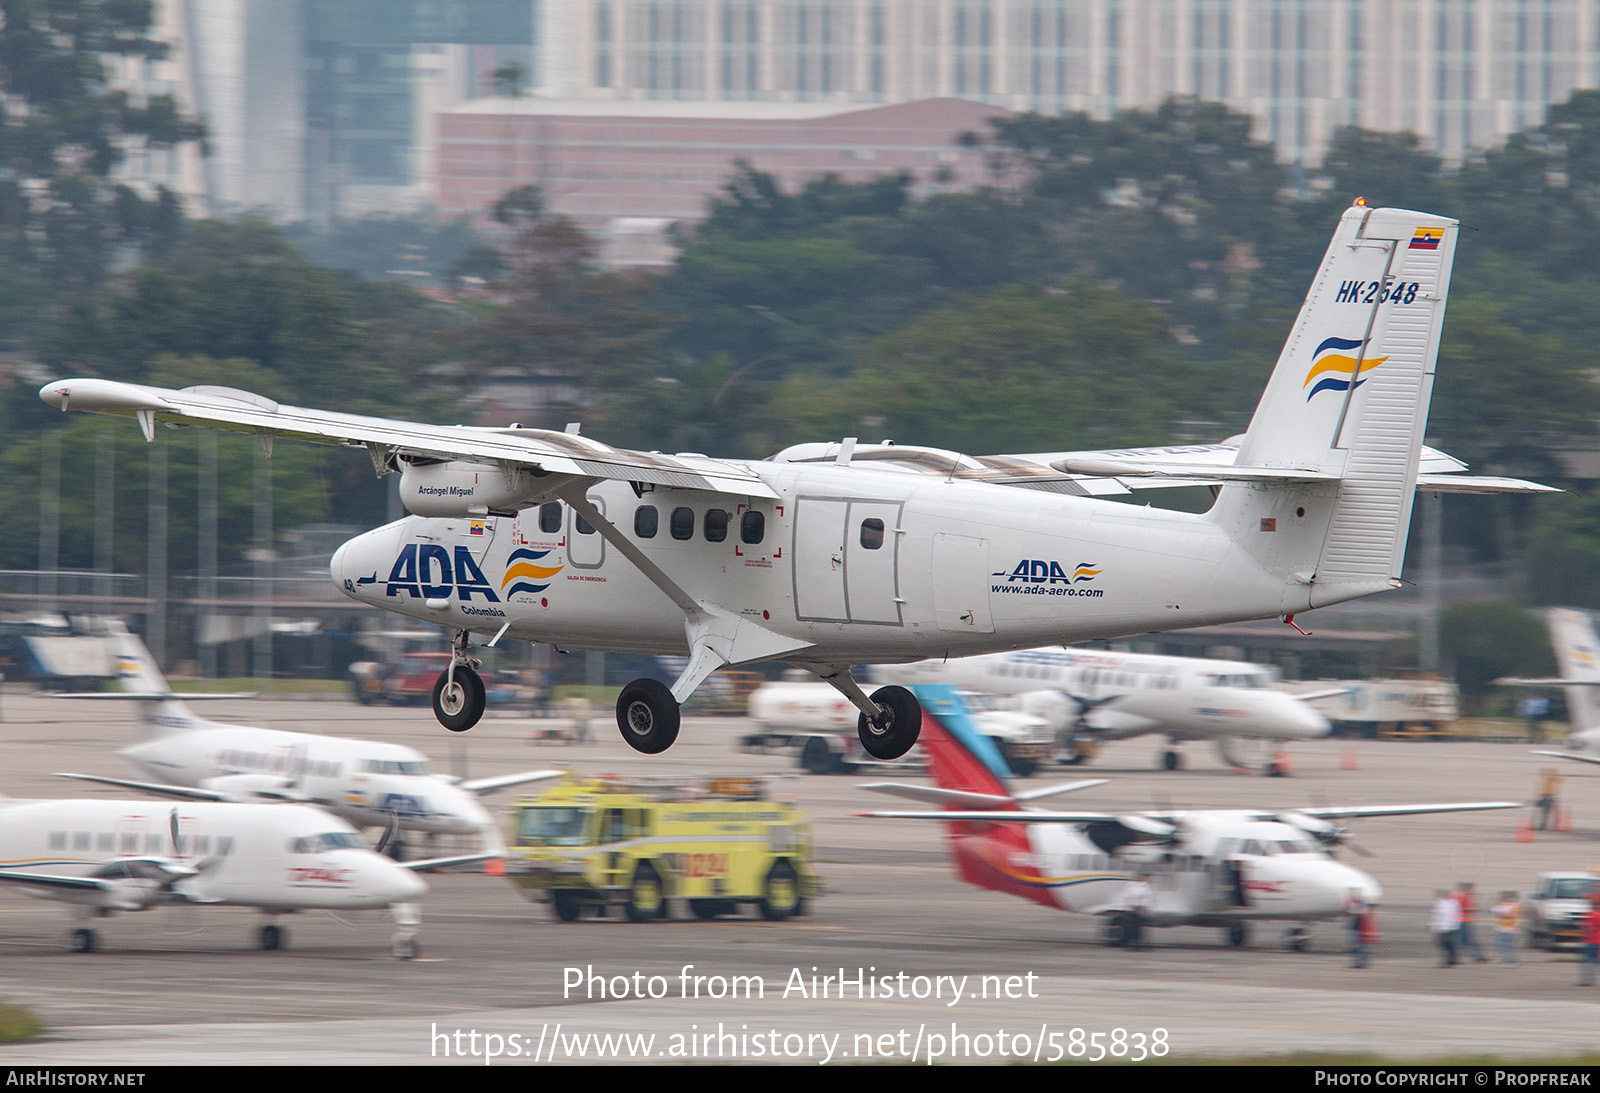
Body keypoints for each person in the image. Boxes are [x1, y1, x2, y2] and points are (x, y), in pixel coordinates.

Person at [1456, 882, 1489, 963]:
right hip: (1464, 921)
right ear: (1468, 888)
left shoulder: (1465, 896)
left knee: (1464, 941)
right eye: (1473, 889)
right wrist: (1472, 909)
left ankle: (1477, 957)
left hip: (1464, 921)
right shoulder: (1464, 896)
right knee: (1469, 941)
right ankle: (1478, 957)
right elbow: (1460, 908)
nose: (1475, 890)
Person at [1121, 874, 1155, 951]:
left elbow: (1149, 897)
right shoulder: (1133, 885)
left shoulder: (1145, 886)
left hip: (1140, 910)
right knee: (1133, 929)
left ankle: (1138, 944)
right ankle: (1133, 944)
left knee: (1140, 929)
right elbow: (1130, 896)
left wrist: (1147, 907)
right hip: (1133, 910)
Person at [1431, 889, 1462, 966]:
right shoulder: (1440, 903)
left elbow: (1448, 915)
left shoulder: (1452, 903)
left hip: (1448, 927)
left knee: (1444, 943)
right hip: (1444, 927)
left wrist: (1454, 925)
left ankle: (1449, 959)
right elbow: (1436, 915)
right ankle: (1452, 957)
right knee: (1444, 943)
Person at [1344, 888, 1372, 968]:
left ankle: (1361, 963)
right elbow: (1349, 911)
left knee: (1361, 946)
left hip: (1361, 927)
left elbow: (1362, 913)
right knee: (1356, 946)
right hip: (1355, 927)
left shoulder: (1361, 903)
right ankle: (1359, 962)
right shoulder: (1355, 903)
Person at [1493, 891, 1523, 965]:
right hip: (1512, 929)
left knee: (1506, 946)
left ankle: (1510, 960)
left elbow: (1495, 910)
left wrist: (1499, 902)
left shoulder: (1508, 906)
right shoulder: (1517, 906)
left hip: (1506, 929)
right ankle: (1512, 960)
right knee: (1510, 946)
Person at [1579, 893, 1600, 986]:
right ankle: (1588, 980)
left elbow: (1586, 926)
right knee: (1596, 961)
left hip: (1590, 941)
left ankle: (1587, 981)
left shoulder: (1590, 914)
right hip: (1597, 941)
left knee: (1587, 961)